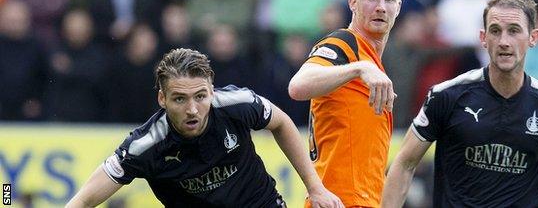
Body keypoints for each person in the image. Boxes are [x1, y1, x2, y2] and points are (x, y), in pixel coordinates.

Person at [381, 0, 538, 207]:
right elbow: (404, 163)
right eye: (495, 31)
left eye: (514, 31)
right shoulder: (446, 96)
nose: (504, 41)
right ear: (483, 38)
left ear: (533, 38)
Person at [66, 48, 343, 207]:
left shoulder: (237, 103)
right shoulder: (146, 145)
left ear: (211, 90)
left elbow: (281, 122)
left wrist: (315, 187)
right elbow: (84, 200)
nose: (192, 109)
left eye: (200, 96)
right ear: (162, 98)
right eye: (179, 99)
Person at [288, 0, 411, 207]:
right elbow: (298, 86)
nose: (381, 7)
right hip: (340, 200)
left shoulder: (372, 63)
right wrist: (359, 69)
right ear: (353, 3)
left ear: (398, 7)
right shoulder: (344, 44)